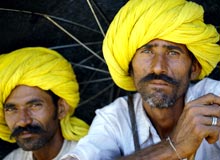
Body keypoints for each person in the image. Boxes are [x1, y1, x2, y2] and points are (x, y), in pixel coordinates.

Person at [61, 0, 220, 160]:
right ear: (130, 66)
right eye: (147, 52)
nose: (158, 67)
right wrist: (172, 147)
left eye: (173, 53)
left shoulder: (214, 99)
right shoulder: (114, 119)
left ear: (194, 68)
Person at [0, 47, 89, 160]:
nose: (23, 121)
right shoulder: (13, 158)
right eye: (11, 109)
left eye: (35, 106)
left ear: (61, 109)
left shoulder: (90, 154)